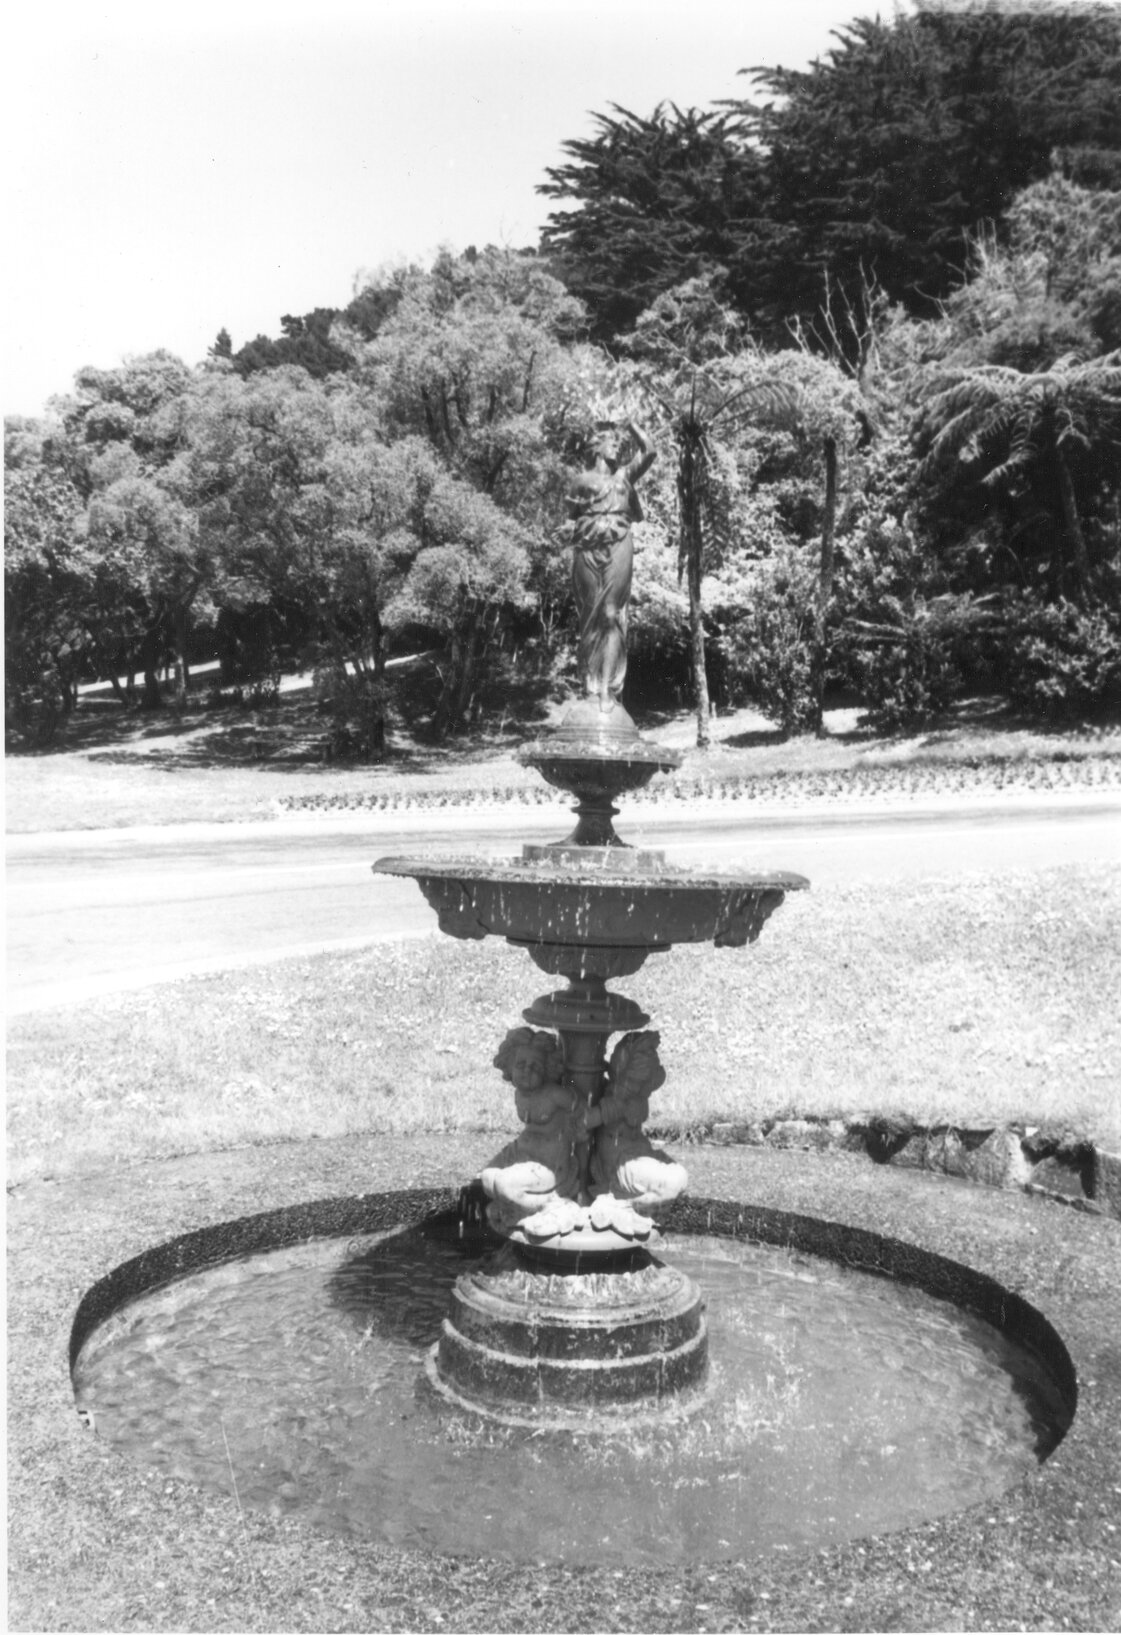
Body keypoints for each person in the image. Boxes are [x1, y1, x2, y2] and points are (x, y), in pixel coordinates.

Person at [566, 419, 655, 713]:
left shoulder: (624, 478)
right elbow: (574, 515)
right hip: (587, 547)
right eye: (612, 442)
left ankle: (607, 689)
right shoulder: (580, 482)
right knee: (590, 615)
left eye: (619, 443)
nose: (617, 446)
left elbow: (650, 451)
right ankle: (590, 687)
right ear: (597, 448)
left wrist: (633, 426)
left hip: (618, 544)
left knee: (610, 614)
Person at [586, 1030, 688, 1215]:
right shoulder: (619, 1097)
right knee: (673, 1183)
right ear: (636, 1073)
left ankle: (630, 1205)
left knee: (680, 1177)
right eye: (649, 1067)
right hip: (620, 1165)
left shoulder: (636, 1094)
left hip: (639, 1154)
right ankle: (624, 1205)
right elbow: (586, 1121)